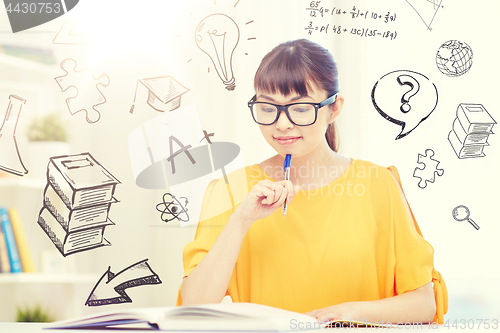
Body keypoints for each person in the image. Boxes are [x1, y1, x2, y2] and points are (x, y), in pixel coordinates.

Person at [176, 39, 447, 324]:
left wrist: (343, 314)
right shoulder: (229, 191)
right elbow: (193, 308)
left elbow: (423, 302)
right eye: (268, 108)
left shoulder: (379, 184)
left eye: (301, 108)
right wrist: (241, 220)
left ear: (334, 108)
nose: (281, 124)